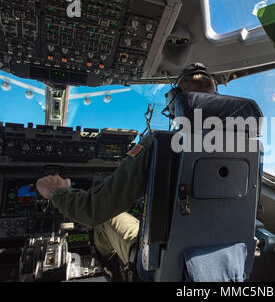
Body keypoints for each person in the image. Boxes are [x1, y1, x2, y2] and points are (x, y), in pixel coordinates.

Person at [36, 63, 216, 281]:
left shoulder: (160, 146)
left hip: (165, 267)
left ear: (174, 101)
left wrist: (55, 192)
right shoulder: (244, 147)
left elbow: (93, 210)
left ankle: (118, 274)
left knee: (105, 219)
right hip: (217, 264)